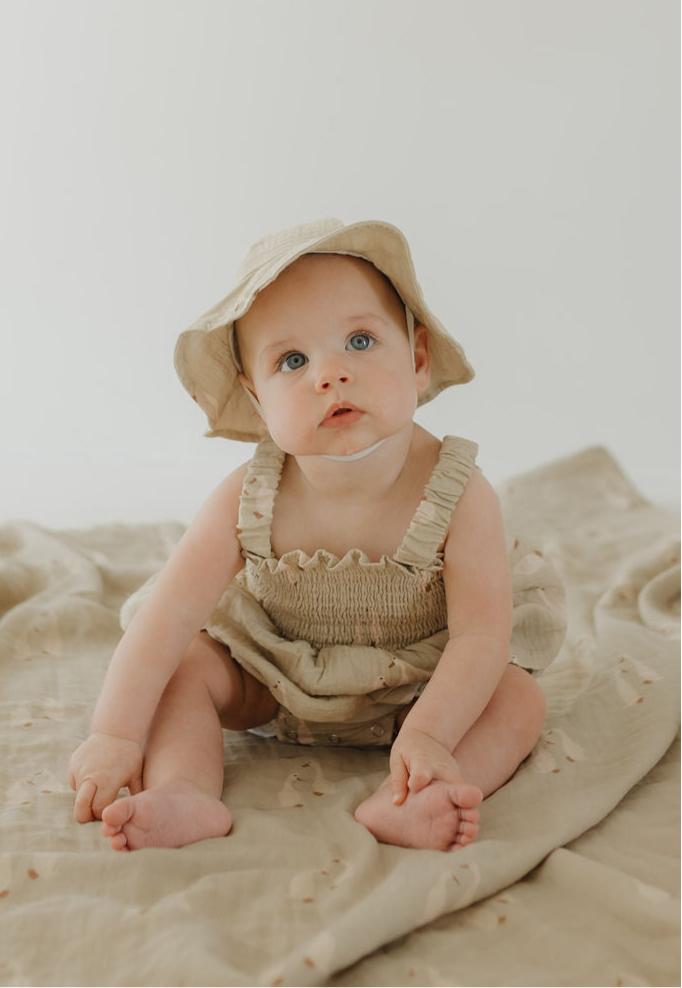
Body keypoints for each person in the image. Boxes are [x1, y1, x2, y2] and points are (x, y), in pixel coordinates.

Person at [68, 217, 566, 853]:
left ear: (416, 360)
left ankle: (417, 795)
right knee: (187, 664)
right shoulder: (246, 497)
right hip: (273, 682)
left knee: (518, 697)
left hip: (421, 688)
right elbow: (165, 617)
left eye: (359, 341)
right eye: (292, 360)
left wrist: (432, 735)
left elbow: (479, 635)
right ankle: (185, 788)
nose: (329, 374)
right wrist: (113, 735)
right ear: (256, 399)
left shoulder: (459, 492)